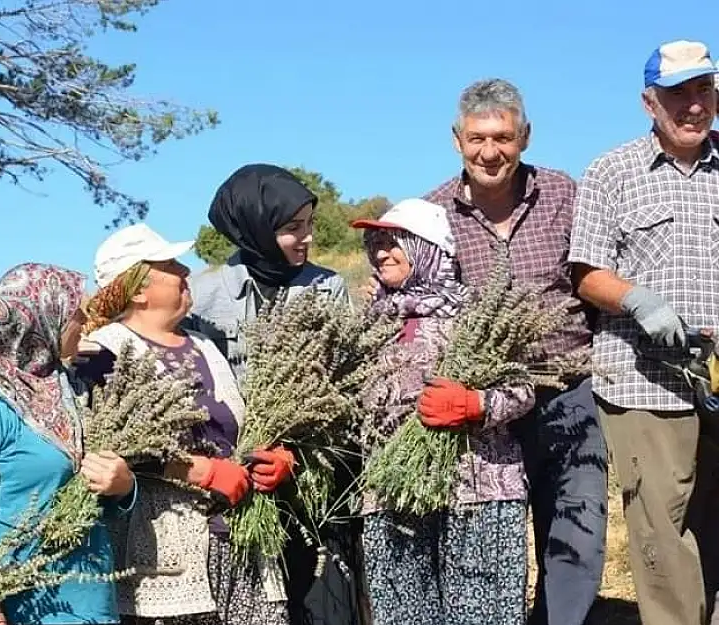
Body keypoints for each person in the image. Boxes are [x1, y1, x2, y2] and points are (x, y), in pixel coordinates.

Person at [418, 78, 606, 625]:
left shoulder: (564, 195)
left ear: (524, 137)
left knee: (577, 535)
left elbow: (594, 280)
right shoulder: (432, 216)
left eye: (503, 137)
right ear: (457, 140)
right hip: (480, 409)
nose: (489, 152)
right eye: (477, 138)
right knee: (487, 542)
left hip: (566, 393)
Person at [570, 40, 719, 625]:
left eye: (703, 89)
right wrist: (637, 300)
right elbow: (585, 272)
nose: (692, 105)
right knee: (665, 534)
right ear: (648, 102)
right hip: (645, 386)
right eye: (676, 93)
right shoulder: (612, 171)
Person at [74, 223, 289, 625]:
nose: (186, 271)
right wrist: (200, 472)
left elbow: (238, 427)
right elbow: (105, 452)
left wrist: (272, 458)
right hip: (166, 562)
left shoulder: (205, 344)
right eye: (171, 264)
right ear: (139, 289)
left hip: (242, 545)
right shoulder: (103, 352)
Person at [185, 164, 367, 625]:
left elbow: (346, 385)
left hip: (313, 483)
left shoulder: (326, 288)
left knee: (324, 605)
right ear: (254, 228)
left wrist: (298, 454)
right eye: (292, 229)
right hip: (239, 490)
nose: (306, 239)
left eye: (309, 225)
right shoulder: (204, 296)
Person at [353, 199, 532, 625]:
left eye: (394, 243)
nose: (380, 253)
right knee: (403, 615)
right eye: (374, 243)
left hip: (477, 492)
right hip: (392, 493)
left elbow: (523, 389)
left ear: (428, 248)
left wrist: (476, 404)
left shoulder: (478, 313)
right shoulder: (367, 321)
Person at [0, 263, 136, 625]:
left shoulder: (65, 387)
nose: (83, 319)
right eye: (75, 310)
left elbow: (84, 492)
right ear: (43, 313)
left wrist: (125, 488)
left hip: (91, 595)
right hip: (28, 605)